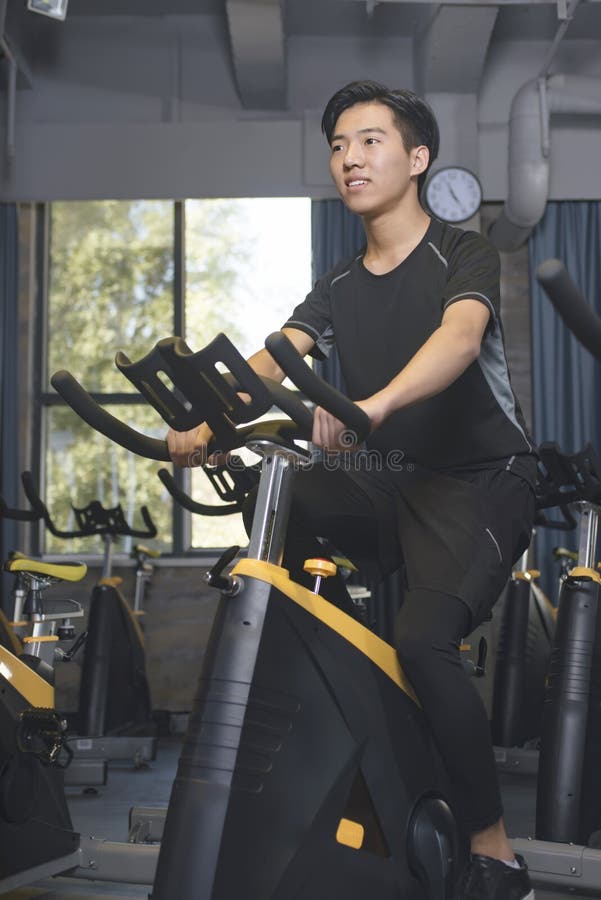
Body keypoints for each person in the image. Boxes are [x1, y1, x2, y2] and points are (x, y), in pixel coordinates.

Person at [167, 80, 537, 900]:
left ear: (416, 158)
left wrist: (368, 406)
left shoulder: (460, 252)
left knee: (424, 643)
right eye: (337, 145)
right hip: (388, 484)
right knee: (284, 500)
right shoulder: (338, 282)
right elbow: (275, 357)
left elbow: (459, 336)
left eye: (368, 141)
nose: (348, 158)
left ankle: (493, 849)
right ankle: (340, 726)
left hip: (479, 482)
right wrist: (206, 415)